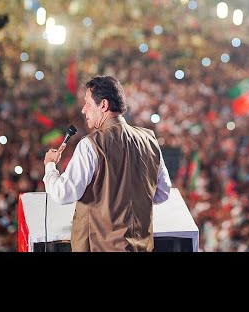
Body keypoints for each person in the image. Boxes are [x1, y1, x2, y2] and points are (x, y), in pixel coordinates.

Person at [43, 75, 172, 252]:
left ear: (103, 105)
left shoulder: (91, 145)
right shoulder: (150, 139)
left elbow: (63, 193)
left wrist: (50, 167)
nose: (83, 110)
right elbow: (162, 193)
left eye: (87, 103)